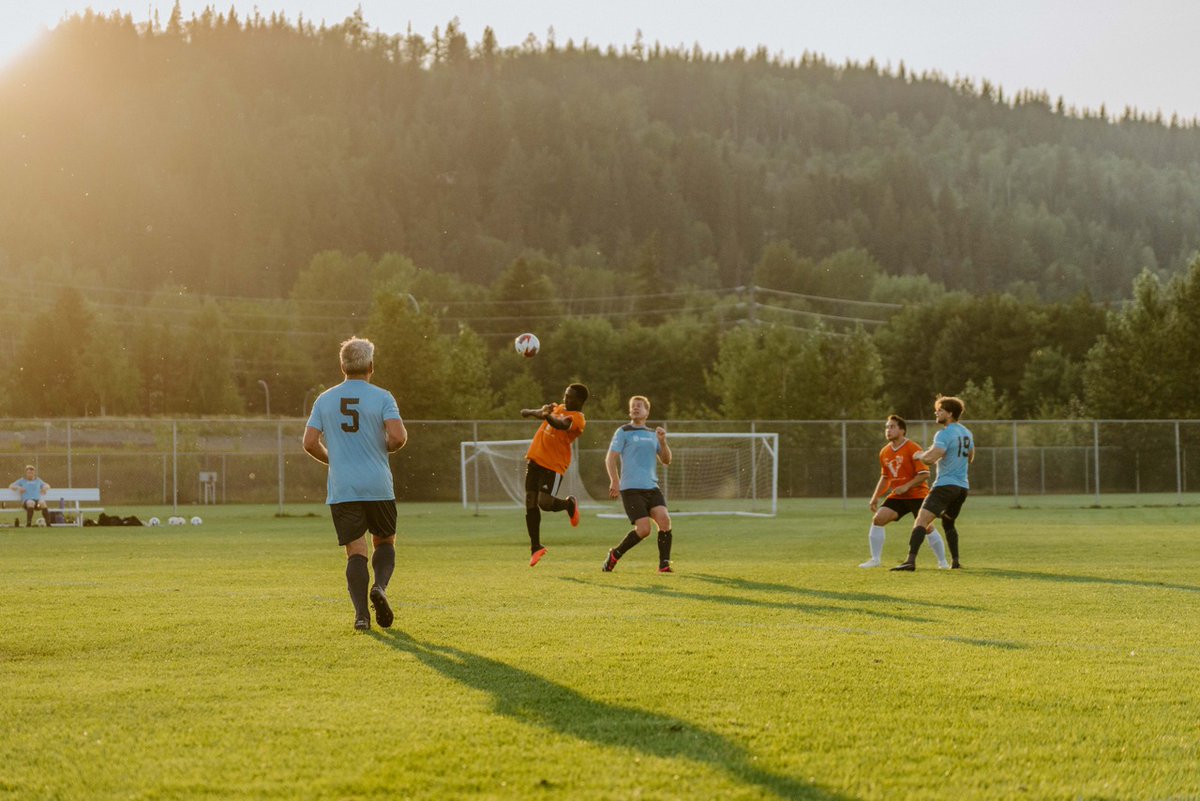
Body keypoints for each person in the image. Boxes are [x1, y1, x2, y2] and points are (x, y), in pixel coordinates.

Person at [303, 337, 408, 631]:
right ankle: (381, 588)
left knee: (356, 550)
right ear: (371, 366)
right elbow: (398, 438)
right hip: (377, 484)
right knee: (384, 540)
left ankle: (362, 616)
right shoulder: (383, 397)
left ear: (342, 366)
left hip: (344, 487)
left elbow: (310, 442)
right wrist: (379, 449)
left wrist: (333, 460)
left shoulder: (325, 399)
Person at [891, 395, 974, 572]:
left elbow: (929, 459)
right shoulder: (967, 432)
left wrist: (919, 455)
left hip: (945, 485)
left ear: (949, 413)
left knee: (921, 520)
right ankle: (956, 562)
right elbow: (971, 457)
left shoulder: (944, 433)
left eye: (940, 410)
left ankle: (910, 561)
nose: (936, 412)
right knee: (948, 521)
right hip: (962, 487)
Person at [860, 415, 949, 569]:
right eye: (887, 427)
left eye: (892, 427)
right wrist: (875, 497)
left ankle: (943, 562)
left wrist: (907, 486)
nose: (888, 430)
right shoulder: (884, 452)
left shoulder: (913, 448)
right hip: (899, 496)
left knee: (927, 527)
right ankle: (875, 559)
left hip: (918, 495)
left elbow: (924, 474)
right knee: (878, 519)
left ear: (902, 430)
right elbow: (885, 477)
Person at [601, 395, 675, 573]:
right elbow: (610, 458)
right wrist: (614, 481)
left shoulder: (653, 435)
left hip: (651, 487)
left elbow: (666, 460)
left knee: (664, 521)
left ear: (647, 412)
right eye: (633, 406)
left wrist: (663, 442)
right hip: (631, 489)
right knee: (643, 529)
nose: (635, 408)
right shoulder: (623, 431)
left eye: (640, 406)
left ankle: (663, 565)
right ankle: (614, 555)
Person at [520, 383, 588, 566]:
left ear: (580, 401)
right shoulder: (560, 407)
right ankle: (536, 547)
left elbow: (559, 424)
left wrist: (546, 415)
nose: (566, 399)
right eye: (565, 395)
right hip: (534, 461)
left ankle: (568, 504)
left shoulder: (578, 419)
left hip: (553, 466)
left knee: (545, 503)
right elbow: (545, 413)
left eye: (570, 397)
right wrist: (530, 411)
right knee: (530, 502)